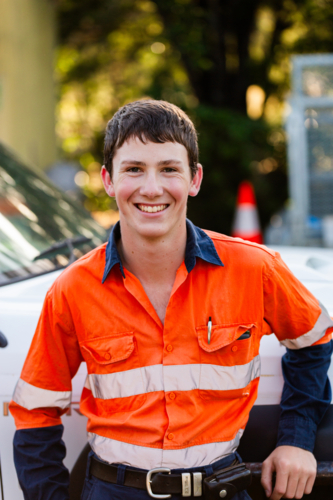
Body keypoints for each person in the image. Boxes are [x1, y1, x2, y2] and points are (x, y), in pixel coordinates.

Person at [9, 100, 333, 500]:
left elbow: (314, 340)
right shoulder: (73, 288)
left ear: (194, 179)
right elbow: (35, 412)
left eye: (168, 169)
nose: (151, 188)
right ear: (108, 180)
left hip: (221, 489)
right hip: (113, 492)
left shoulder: (255, 269)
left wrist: (297, 441)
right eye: (133, 169)